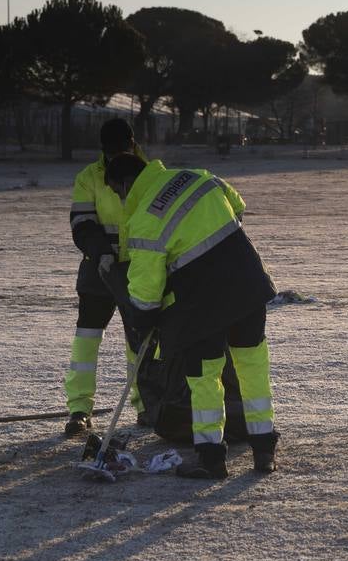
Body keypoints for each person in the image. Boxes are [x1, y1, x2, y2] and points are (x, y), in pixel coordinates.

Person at [104, 153, 279, 478]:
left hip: (202, 304)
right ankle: (264, 450)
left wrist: (143, 320)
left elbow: (144, 292)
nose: (120, 199)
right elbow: (237, 207)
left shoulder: (145, 217)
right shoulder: (196, 175)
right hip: (247, 282)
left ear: (126, 184)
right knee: (252, 367)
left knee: (205, 378)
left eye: (117, 192)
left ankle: (212, 458)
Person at [62, 118, 146, 436]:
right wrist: (102, 252)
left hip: (141, 270)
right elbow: (82, 223)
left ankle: (144, 404)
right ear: (103, 150)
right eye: (110, 153)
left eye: (120, 151)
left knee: (138, 341)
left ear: (133, 143)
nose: (115, 157)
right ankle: (79, 408)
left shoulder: (152, 172)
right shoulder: (89, 178)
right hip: (99, 269)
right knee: (87, 337)